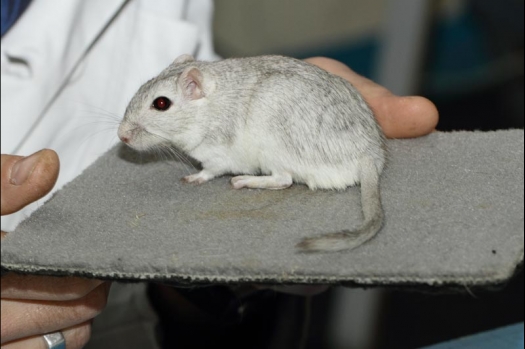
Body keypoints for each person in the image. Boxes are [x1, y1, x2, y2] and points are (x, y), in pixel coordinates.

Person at [1, 0, 438, 348]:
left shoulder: (208, 94)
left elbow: (229, 136)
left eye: (160, 106)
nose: (126, 132)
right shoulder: (196, 97)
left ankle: (282, 174)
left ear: (196, 88)